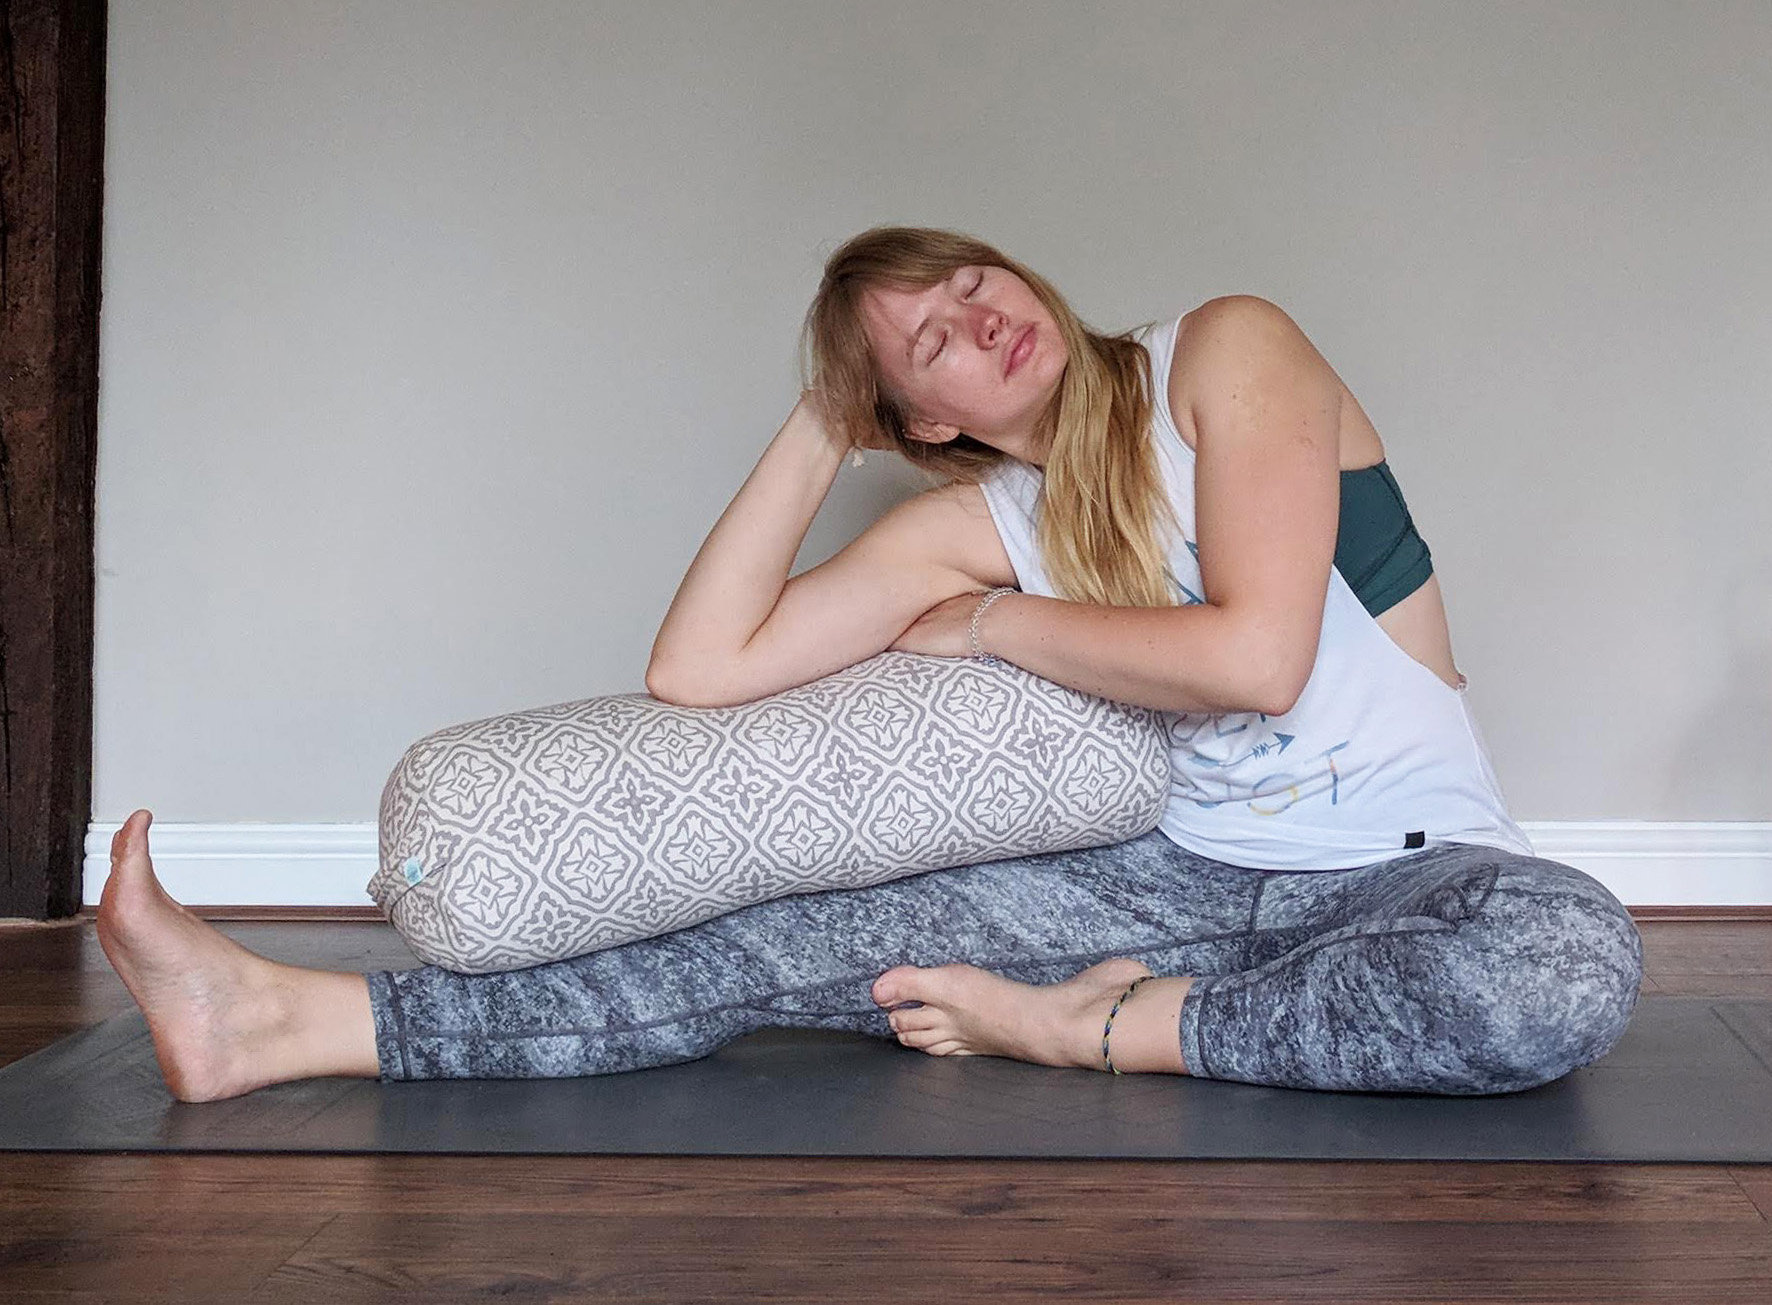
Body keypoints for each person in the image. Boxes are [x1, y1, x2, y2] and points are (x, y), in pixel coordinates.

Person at [95, 225, 1642, 1103]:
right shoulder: (980, 512)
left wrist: (996, 625)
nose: (974, 316)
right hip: (1165, 880)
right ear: (920, 421)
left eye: (967, 280)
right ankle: (286, 1022)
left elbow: (1255, 657)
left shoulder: (1224, 352)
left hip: (1409, 869)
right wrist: (818, 418)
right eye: (927, 344)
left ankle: (1085, 1025)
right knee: (776, 934)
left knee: (1561, 969)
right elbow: (702, 668)